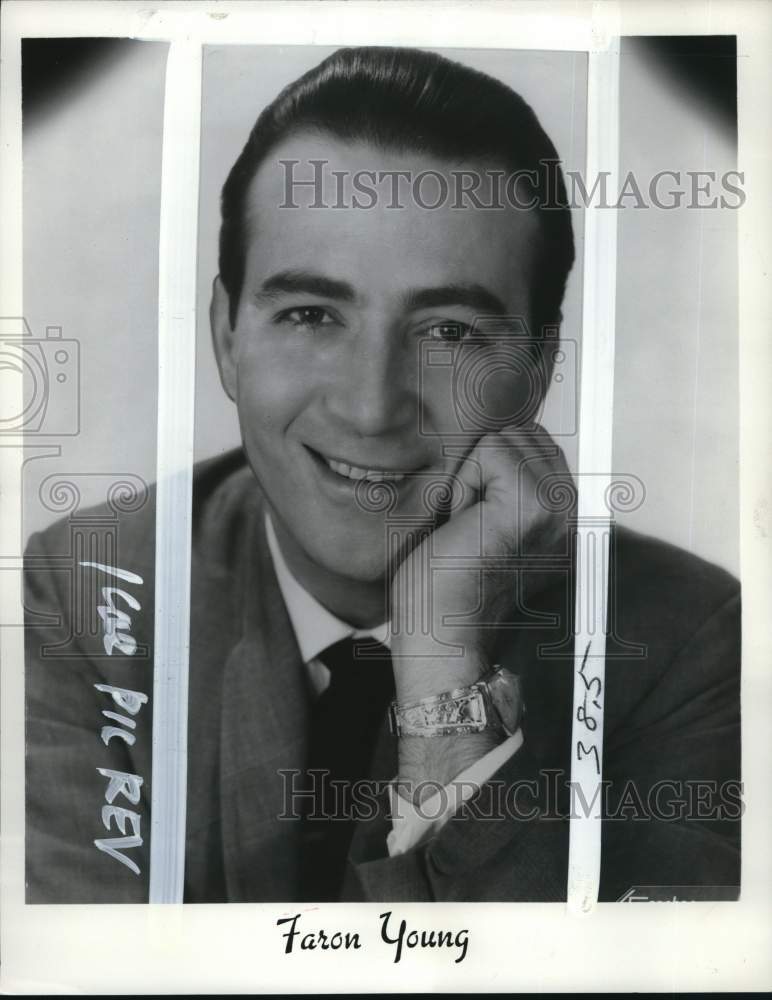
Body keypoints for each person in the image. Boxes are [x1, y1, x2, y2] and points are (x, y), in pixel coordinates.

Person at [24, 46, 741, 904]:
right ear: (225, 337)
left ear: (540, 367)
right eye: (311, 314)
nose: (372, 408)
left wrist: (446, 660)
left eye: (449, 333)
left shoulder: (685, 642)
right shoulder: (92, 589)